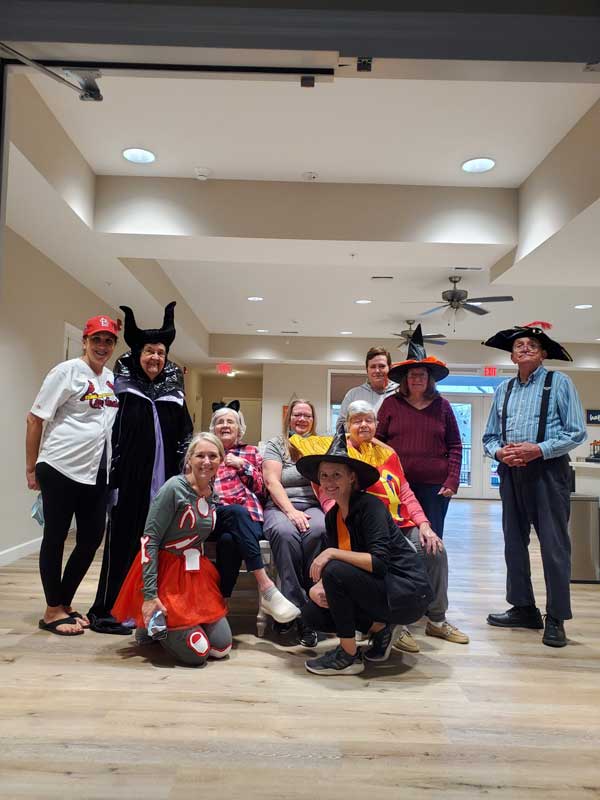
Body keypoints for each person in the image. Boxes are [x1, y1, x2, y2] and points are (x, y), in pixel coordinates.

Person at [292, 399, 468, 650]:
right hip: (366, 525)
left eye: (369, 420)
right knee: (384, 560)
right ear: (347, 425)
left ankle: (437, 620)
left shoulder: (388, 453)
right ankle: (394, 624)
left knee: (434, 549)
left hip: (400, 522)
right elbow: (329, 496)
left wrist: (424, 524)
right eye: (357, 420)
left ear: (377, 424)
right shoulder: (337, 454)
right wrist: (346, 523)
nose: (364, 425)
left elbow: (405, 492)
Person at [88, 302, 193, 634]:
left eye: (160, 353)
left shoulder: (174, 391)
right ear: (137, 354)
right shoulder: (122, 388)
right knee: (123, 543)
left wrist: (185, 478)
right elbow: (109, 432)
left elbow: (185, 435)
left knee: (159, 546)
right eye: (149, 352)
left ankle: (155, 608)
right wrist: (111, 479)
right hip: (129, 481)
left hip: (166, 482)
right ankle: (111, 611)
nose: (155, 358)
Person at [295, 429, 433, 675]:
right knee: (312, 614)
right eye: (324, 475)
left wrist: (331, 554)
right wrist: (317, 588)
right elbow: (342, 564)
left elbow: (378, 563)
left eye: (337, 475)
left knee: (334, 569)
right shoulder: (333, 516)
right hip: (377, 587)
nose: (329, 482)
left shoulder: (371, 507)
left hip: (407, 593)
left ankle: (348, 655)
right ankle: (380, 629)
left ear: (352, 478)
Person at [482, 322, 586, 648]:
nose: (525, 348)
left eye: (532, 345)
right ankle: (523, 608)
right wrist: (500, 452)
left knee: (554, 547)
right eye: (519, 346)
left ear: (542, 354)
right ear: (512, 356)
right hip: (511, 473)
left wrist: (538, 450)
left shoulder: (559, 382)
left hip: (549, 473)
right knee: (513, 543)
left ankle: (556, 617)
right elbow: (489, 437)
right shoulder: (503, 389)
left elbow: (576, 432)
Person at [26, 314, 119, 636]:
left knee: (91, 538)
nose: (102, 346)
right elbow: (35, 418)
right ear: (85, 341)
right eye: (96, 339)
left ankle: (63, 602)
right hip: (60, 466)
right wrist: (31, 467)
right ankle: (52, 610)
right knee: (55, 536)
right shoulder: (65, 372)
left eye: (108, 341)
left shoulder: (111, 379)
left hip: (96, 471)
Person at [112, 433, 232, 666]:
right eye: (200, 456)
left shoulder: (211, 492)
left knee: (221, 647)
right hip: (165, 573)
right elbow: (149, 540)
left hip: (194, 573)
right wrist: (150, 595)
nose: (206, 461)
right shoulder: (174, 488)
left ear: (221, 460)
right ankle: (153, 626)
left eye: (213, 456)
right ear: (189, 459)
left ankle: (165, 627)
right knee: (197, 654)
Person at [208, 402, 299, 624]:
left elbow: (262, 489)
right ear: (213, 428)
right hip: (215, 515)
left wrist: (243, 466)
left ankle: (220, 604)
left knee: (229, 541)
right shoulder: (207, 452)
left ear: (239, 428)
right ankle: (266, 586)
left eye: (231, 422)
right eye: (220, 422)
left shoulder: (251, 452)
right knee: (235, 513)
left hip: (249, 520)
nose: (225, 425)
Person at [377, 325, 462, 539]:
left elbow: (455, 446)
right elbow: (377, 441)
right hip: (396, 484)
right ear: (405, 379)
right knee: (397, 538)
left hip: (435, 488)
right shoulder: (390, 404)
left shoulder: (442, 406)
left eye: (421, 374)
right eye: (412, 375)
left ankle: (431, 565)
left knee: (431, 539)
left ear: (429, 378)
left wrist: (452, 480)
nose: (417, 379)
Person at [262, 399, 327, 647]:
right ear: (288, 418)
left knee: (319, 530)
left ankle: (308, 605)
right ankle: (297, 611)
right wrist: (290, 511)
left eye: (307, 416)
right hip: (280, 506)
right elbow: (272, 481)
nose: (301, 419)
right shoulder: (277, 444)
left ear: (313, 420)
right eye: (297, 414)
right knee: (285, 533)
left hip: (313, 505)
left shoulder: (321, 445)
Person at [337, 346, 398, 426]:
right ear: (367, 370)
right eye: (373, 367)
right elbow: (341, 425)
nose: (377, 370)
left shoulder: (400, 392)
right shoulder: (353, 395)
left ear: (389, 368)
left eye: (382, 366)